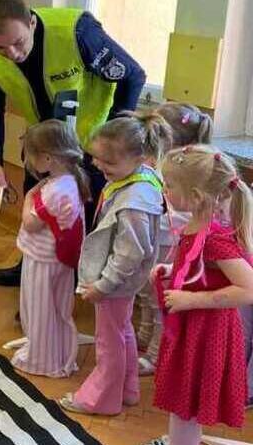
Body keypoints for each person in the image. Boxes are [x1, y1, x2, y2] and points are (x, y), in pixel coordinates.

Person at [0, 0, 146, 287]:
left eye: (18, 43)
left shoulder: (77, 32)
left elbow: (133, 75)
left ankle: (76, 283)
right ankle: (30, 268)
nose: (13, 54)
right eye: (1, 47)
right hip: (43, 144)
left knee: (82, 219)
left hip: (90, 145)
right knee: (37, 209)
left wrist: (114, 134)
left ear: (31, 22)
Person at [58, 112, 172, 416]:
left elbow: (130, 253)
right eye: (96, 158)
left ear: (139, 157)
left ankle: (100, 400)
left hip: (115, 282)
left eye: (108, 163)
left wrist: (103, 285)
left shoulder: (135, 200)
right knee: (122, 331)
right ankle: (127, 389)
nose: (98, 166)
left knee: (108, 343)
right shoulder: (140, 176)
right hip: (122, 281)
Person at [145, 146, 253, 445]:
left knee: (186, 400)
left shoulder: (215, 238)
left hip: (207, 331)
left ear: (195, 196)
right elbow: (201, 270)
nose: (163, 188)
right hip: (192, 327)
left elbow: (249, 289)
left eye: (169, 185)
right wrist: (172, 270)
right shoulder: (197, 225)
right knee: (184, 399)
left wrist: (193, 300)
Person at [136, 102, 213, 377]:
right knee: (145, 292)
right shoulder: (165, 163)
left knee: (159, 300)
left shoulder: (188, 171)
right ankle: (144, 337)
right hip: (158, 238)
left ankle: (156, 356)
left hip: (172, 244)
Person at [12, 120, 87, 378]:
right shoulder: (69, 181)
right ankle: (56, 354)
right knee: (57, 309)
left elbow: (31, 223)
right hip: (59, 261)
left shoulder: (54, 190)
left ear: (47, 158)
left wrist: (29, 199)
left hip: (43, 260)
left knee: (39, 309)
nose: (30, 163)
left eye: (31, 157)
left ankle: (42, 360)